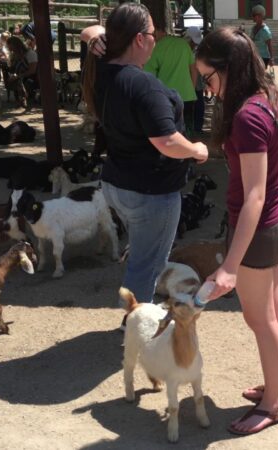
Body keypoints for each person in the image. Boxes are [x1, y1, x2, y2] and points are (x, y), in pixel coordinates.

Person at [195, 27, 278, 435]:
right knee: (276, 310)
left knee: (260, 319)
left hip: (262, 226)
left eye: (207, 78)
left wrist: (229, 265)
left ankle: (273, 404)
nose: (206, 88)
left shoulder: (247, 116)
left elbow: (254, 195)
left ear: (228, 69)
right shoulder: (273, 96)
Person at [80, 3, 208, 307]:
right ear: (139, 39)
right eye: (153, 34)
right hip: (150, 192)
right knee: (147, 265)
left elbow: (93, 32)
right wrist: (197, 149)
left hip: (118, 184)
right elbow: (166, 142)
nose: (157, 39)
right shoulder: (143, 86)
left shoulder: (102, 71)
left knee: (141, 255)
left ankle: (136, 314)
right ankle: (135, 325)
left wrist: (98, 37)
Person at [144, 27, 198, 136]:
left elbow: (149, 75)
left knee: (168, 132)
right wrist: (192, 88)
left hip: (166, 97)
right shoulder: (183, 44)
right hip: (187, 95)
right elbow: (193, 69)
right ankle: (189, 150)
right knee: (188, 129)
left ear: (159, 31)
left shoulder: (156, 48)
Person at [6, 36, 39, 107]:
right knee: (14, 79)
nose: (9, 48)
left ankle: (23, 97)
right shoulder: (14, 55)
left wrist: (18, 76)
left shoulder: (30, 53)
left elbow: (32, 70)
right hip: (19, 75)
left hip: (31, 76)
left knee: (20, 80)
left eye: (10, 46)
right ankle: (22, 97)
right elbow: (13, 68)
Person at [186, 26, 206, 134]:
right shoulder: (184, 50)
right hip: (187, 84)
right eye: (193, 41)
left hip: (197, 83)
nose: (195, 44)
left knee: (199, 105)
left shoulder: (198, 51)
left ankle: (197, 128)